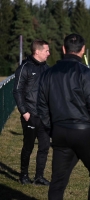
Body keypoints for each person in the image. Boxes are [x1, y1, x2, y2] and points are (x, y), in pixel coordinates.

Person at [37, 33, 90, 200]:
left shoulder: (48, 73)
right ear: (83, 50)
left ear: (63, 49)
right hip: (84, 131)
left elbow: (41, 106)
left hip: (60, 132)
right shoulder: (85, 72)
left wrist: (51, 129)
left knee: (58, 182)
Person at [13, 39, 51, 185]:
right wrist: (24, 112)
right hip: (30, 115)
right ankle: (23, 175)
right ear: (37, 51)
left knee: (44, 147)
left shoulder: (47, 68)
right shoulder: (25, 68)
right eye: (46, 50)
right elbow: (17, 91)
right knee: (28, 146)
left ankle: (39, 176)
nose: (49, 53)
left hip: (44, 116)